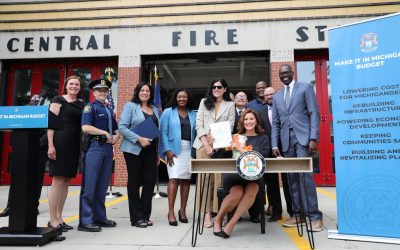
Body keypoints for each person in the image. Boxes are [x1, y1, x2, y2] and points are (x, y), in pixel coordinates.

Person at [271, 64, 323, 232]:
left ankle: (315, 217)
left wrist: (313, 138)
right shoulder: (278, 96)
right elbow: (276, 123)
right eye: (281, 73)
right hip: (286, 142)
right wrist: (274, 144)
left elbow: (314, 113)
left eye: (287, 72)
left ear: (292, 73)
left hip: (303, 139)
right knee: (291, 179)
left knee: (304, 178)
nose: (284, 75)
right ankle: (298, 215)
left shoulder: (305, 88)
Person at [213, 109, 270, 238]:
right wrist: (216, 145)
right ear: (242, 121)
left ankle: (231, 224)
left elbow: (260, 157)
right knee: (237, 192)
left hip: (253, 176)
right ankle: (218, 219)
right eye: (246, 119)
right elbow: (221, 156)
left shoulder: (263, 138)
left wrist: (238, 148)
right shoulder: (234, 137)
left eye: (251, 119)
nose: (248, 122)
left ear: (256, 121)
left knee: (254, 188)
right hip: (234, 176)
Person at [193, 79, 236, 227]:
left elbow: (230, 126)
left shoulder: (230, 105)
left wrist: (216, 146)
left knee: (219, 181)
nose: (216, 89)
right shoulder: (204, 102)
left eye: (219, 87)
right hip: (202, 146)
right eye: (214, 87)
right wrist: (207, 145)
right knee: (205, 181)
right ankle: (206, 214)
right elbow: (198, 124)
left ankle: (219, 212)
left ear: (225, 89)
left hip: (221, 146)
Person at [79, 79, 120, 232]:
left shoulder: (108, 110)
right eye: (99, 90)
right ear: (94, 92)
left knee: (102, 186)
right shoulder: (90, 107)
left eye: (105, 90)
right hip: (95, 148)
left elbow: (115, 129)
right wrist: (103, 132)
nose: (103, 92)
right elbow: (85, 127)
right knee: (90, 187)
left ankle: (100, 217)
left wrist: (117, 136)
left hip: (108, 149)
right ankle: (85, 221)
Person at [119, 82, 160, 228]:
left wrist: (157, 153)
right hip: (133, 149)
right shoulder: (130, 106)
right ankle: (136, 218)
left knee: (150, 181)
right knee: (134, 182)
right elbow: (122, 127)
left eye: (147, 91)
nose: (145, 93)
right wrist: (139, 139)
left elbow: (157, 130)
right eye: (142, 90)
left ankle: (145, 215)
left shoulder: (154, 108)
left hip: (150, 150)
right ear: (137, 92)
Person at [0, 94, 47, 218]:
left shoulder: (45, 114)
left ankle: (33, 206)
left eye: (37, 101)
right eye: (33, 101)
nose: (35, 103)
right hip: (23, 150)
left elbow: (47, 134)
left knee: (36, 180)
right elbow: (15, 129)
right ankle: (10, 206)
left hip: (39, 150)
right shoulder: (22, 113)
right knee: (17, 179)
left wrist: (35, 144)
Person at [47, 75, 84, 231]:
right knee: (57, 181)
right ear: (66, 86)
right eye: (71, 84)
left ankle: (60, 218)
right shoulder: (58, 100)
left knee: (66, 182)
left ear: (80, 88)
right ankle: (52, 219)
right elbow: (50, 124)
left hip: (74, 145)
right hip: (59, 143)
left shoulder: (81, 104)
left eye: (77, 84)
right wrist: (50, 145)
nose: (74, 86)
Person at [159, 88, 196, 226]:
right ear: (175, 98)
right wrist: (167, 150)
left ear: (188, 99)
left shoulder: (193, 114)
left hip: (189, 150)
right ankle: (171, 212)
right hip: (173, 150)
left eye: (184, 97)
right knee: (173, 179)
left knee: (186, 181)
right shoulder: (168, 112)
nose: (182, 99)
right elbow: (163, 132)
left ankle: (182, 211)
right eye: (179, 97)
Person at [259, 87, 293, 222]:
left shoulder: (285, 109)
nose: (269, 97)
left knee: (288, 181)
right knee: (272, 183)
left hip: (285, 148)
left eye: (272, 94)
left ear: (276, 95)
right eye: (267, 95)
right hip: (268, 151)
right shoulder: (260, 112)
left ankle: (292, 211)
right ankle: (276, 211)